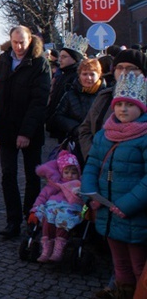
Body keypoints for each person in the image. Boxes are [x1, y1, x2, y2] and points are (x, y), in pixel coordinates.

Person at [81, 72, 147, 299]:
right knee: (119, 264)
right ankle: (122, 292)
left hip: (134, 215)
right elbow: (92, 165)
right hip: (108, 212)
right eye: (119, 105)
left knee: (139, 265)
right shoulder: (104, 134)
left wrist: (126, 205)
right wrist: (91, 193)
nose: (123, 110)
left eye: (130, 105)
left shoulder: (144, 136)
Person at [0, 26, 51, 239]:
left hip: (30, 130)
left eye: (23, 43)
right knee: (8, 175)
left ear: (30, 41)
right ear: (10, 41)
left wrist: (26, 132)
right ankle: (13, 220)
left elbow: (39, 102)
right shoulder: (3, 60)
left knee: (32, 176)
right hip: (6, 128)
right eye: (15, 42)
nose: (19, 47)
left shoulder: (39, 63)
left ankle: (32, 217)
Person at [79, 49, 147, 158]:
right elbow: (86, 129)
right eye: (119, 67)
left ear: (143, 72)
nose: (124, 72)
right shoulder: (104, 97)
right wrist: (93, 155)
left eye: (131, 68)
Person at [29, 150, 84, 263]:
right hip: (53, 206)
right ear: (61, 172)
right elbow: (42, 197)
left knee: (64, 217)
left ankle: (58, 248)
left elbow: (84, 200)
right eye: (66, 172)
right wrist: (34, 209)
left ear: (78, 174)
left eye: (73, 173)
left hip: (69, 208)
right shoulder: (55, 185)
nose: (69, 176)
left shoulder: (79, 186)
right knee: (47, 215)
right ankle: (47, 248)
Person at [48, 58, 105, 149]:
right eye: (84, 74)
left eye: (92, 74)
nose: (88, 78)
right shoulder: (70, 94)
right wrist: (75, 128)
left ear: (99, 75)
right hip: (75, 142)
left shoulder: (105, 96)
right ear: (79, 75)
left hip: (99, 143)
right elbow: (58, 116)